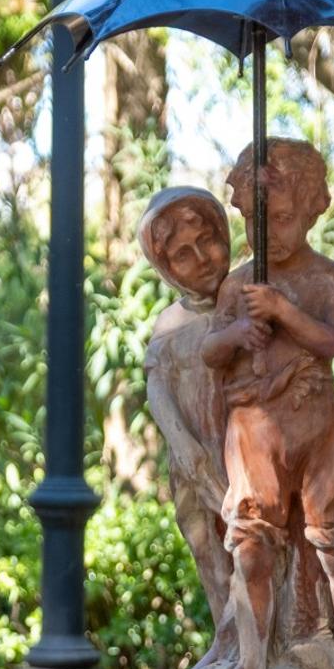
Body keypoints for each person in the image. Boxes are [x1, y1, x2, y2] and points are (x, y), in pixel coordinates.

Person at [201, 139, 334, 669]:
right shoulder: (238, 283)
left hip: (315, 428)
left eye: (282, 219)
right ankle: (252, 663)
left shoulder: (333, 279)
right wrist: (239, 330)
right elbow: (211, 351)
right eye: (255, 220)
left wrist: (283, 311)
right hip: (254, 432)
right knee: (252, 543)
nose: (268, 234)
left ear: (311, 208)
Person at [139, 186, 234, 629]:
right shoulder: (170, 328)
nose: (201, 258)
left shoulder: (254, 295)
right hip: (196, 464)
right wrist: (192, 459)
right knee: (215, 565)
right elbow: (159, 397)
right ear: (166, 268)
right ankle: (232, 646)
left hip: (255, 457)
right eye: (182, 254)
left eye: (207, 240)